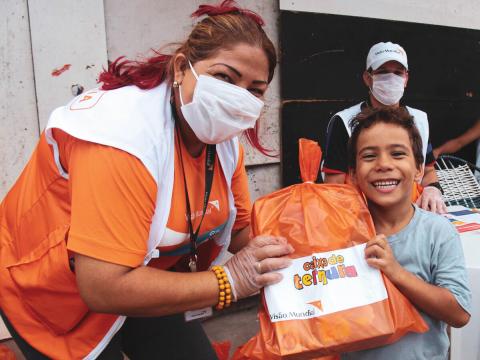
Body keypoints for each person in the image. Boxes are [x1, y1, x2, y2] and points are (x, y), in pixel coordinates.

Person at [0, 1, 294, 359]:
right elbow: (102, 288)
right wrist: (227, 281)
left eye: (255, 89)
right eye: (224, 78)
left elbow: (240, 229)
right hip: (54, 290)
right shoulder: (122, 140)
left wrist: (316, 235)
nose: (237, 98)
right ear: (182, 68)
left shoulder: (223, 138)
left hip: (148, 277)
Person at [343, 107, 471, 359]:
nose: (384, 165)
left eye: (398, 154)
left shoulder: (438, 232)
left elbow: (459, 314)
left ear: (418, 169)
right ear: (353, 174)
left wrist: (395, 272)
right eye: (369, 156)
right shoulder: (342, 233)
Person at [322, 41, 447, 214]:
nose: (391, 78)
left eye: (397, 72)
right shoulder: (344, 121)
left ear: (406, 78)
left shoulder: (420, 119)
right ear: (367, 78)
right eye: (382, 72)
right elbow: (333, 186)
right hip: (361, 218)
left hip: (411, 215)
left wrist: (433, 189)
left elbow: (428, 171)